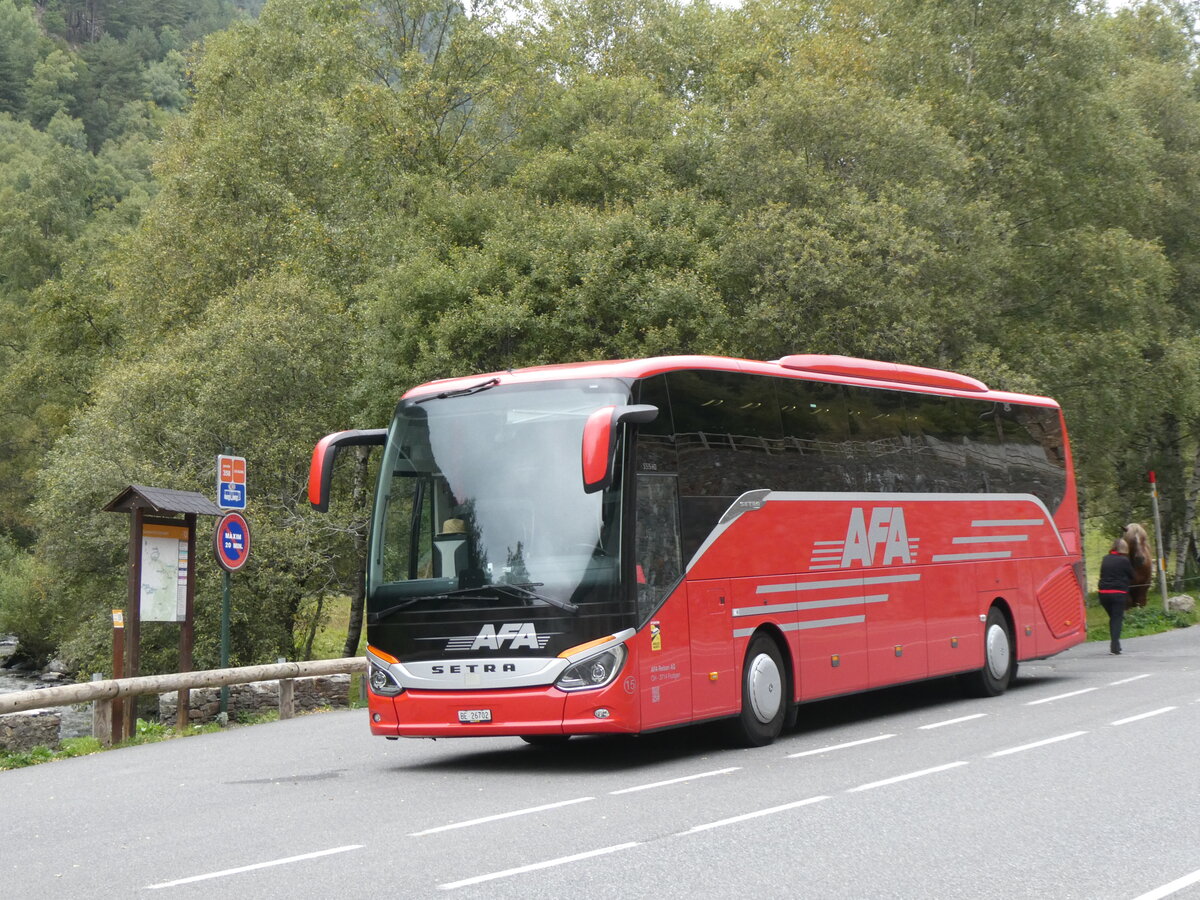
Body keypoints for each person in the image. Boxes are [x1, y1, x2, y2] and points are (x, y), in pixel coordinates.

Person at [1098, 537, 1135, 655]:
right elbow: (1132, 575)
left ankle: (1116, 645)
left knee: (1114, 618)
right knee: (1117, 619)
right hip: (1118, 594)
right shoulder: (1124, 560)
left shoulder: (1105, 559)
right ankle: (1115, 647)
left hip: (1103, 594)